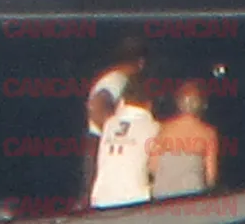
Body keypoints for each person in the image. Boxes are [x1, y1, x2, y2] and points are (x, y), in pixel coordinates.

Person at [78, 37, 148, 207]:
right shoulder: (117, 80)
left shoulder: (116, 79)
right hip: (100, 144)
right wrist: (112, 130)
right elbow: (96, 105)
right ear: (141, 63)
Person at [91, 75, 161, 209]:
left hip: (101, 199)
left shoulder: (109, 125)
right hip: (135, 200)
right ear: (149, 103)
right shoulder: (153, 128)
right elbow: (156, 167)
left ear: (123, 100)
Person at [149, 80, 219, 198]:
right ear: (203, 104)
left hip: (163, 195)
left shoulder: (164, 129)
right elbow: (210, 176)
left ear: (178, 103)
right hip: (192, 195)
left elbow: (153, 166)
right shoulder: (208, 134)